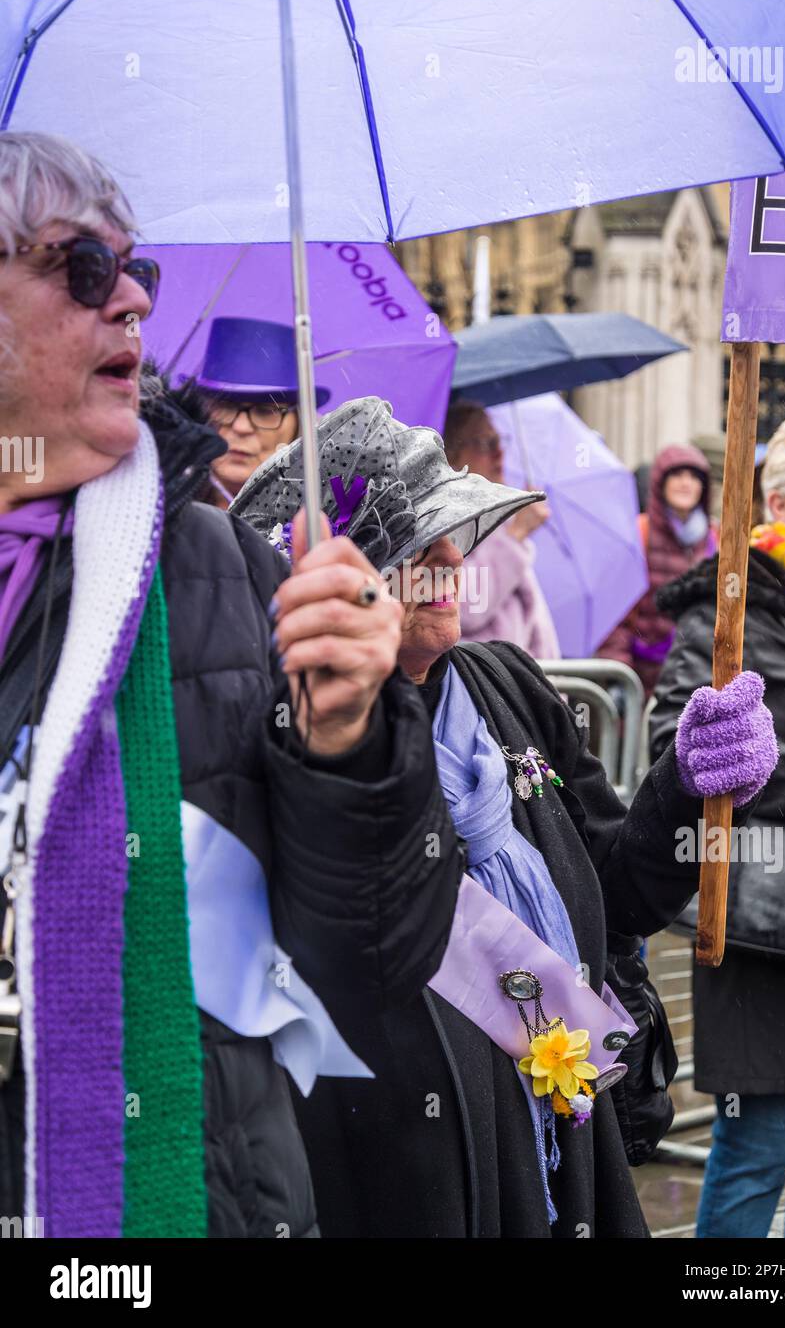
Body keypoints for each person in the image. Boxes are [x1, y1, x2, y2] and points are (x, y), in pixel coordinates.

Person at [0, 132, 461, 1238]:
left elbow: (378, 958)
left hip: (186, 1198)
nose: (131, 308)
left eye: (136, 272)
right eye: (80, 268)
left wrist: (351, 742)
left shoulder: (224, 575)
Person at [232, 396, 778, 1239]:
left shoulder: (509, 687)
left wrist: (687, 788)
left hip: (561, 1128)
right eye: (418, 544)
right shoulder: (290, 737)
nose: (454, 555)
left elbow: (618, 893)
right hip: (398, 1164)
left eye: (452, 532)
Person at [651, 392, 785, 1239]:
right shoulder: (730, 606)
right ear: (777, 503)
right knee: (757, 1146)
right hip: (768, 921)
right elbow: (686, 750)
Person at [598, 443, 716, 698]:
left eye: (694, 476)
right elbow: (615, 612)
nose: (686, 483)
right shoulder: (638, 532)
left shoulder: (715, 540)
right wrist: (619, 672)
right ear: (660, 482)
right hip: (640, 681)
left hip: (695, 679)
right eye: (677, 474)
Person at [443, 400, 560, 659]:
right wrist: (515, 537)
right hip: (486, 686)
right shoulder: (443, 522)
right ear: (452, 456)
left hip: (521, 689)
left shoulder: (494, 518)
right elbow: (468, 606)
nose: (500, 454)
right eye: (485, 443)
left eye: (500, 441)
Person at [187, 314, 330, 507]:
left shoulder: (319, 523)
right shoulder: (157, 512)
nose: (241, 427)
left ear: (298, 425)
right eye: (224, 406)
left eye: (265, 411)